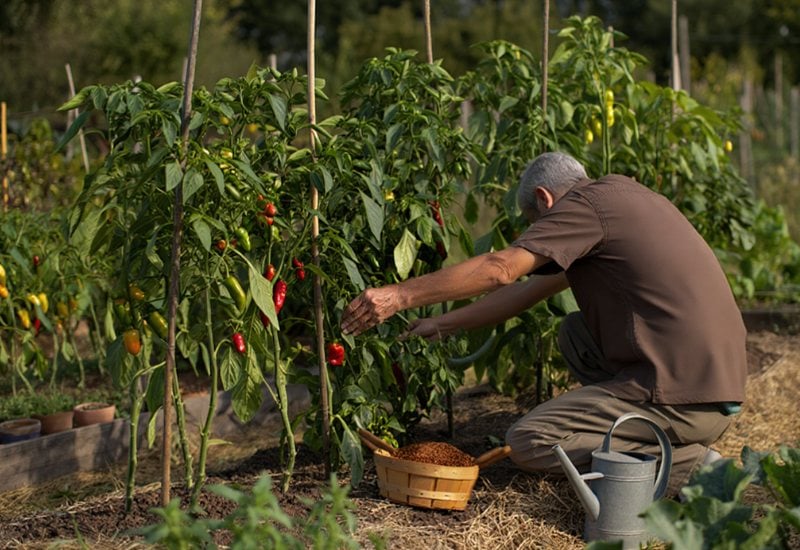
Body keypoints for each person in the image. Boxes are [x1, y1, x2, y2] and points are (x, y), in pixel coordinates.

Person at [340, 151, 746, 496]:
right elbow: (524, 292)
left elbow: (502, 270)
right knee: (575, 334)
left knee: (529, 442)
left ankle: (691, 466)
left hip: (686, 396)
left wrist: (400, 295)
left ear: (544, 199)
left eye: (533, 223)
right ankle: (646, 430)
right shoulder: (621, 199)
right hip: (715, 385)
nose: (535, 233)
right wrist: (444, 324)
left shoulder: (583, 208)